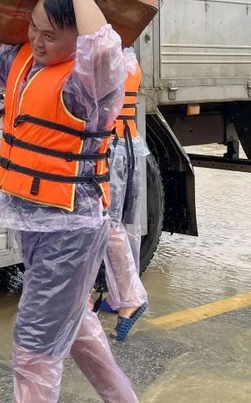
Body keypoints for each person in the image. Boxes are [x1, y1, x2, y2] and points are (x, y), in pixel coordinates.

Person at [0, 0, 138, 403]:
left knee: (33, 348)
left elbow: (103, 47)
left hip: (71, 228)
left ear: (74, 38)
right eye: (33, 27)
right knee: (74, 327)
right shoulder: (24, 61)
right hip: (34, 222)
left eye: (50, 35)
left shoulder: (87, 84)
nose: (36, 39)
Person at [96, 48, 149, 342]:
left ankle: (129, 297)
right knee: (124, 224)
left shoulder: (112, 59)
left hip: (114, 148)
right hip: (128, 144)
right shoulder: (128, 56)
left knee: (108, 223)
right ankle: (120, 296)